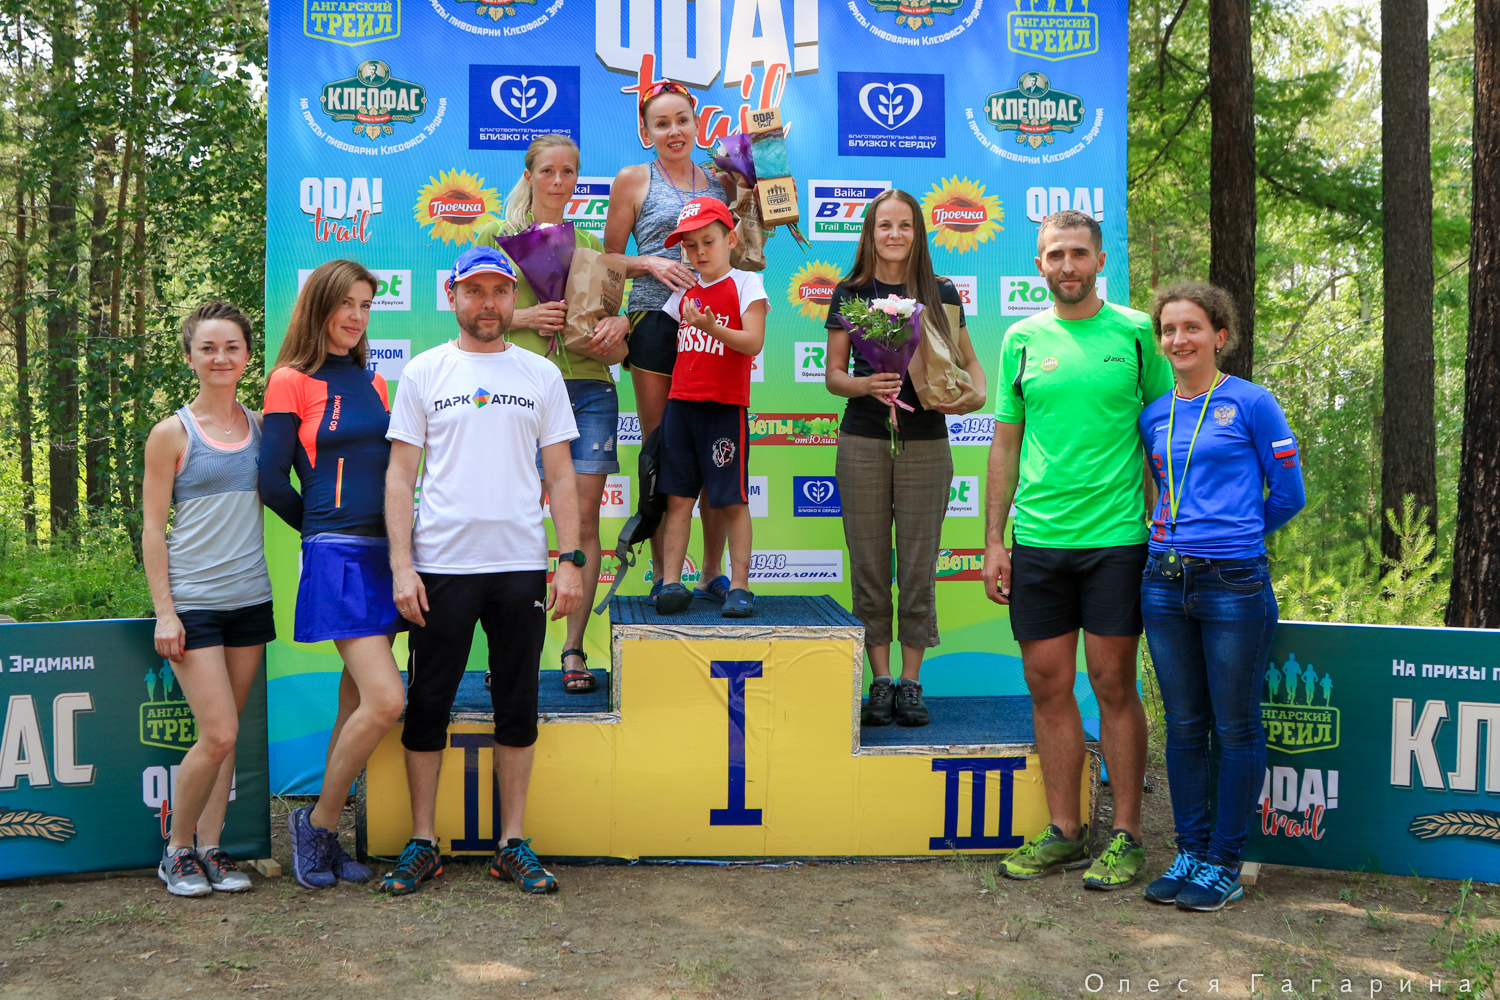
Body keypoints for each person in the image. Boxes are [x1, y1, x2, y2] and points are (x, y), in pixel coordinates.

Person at [381, 245, 584, 896]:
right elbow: (400, 476)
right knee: (428, 705)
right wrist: (402, 566)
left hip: (520, 564)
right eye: (475, 291)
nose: (488, 303)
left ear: (512, 297)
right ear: (453, 296)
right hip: (441, 566)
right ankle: (422, 842)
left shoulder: (541, 374)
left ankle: (511, 844)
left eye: (499, 290)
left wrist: (570, 560)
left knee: (517, 704)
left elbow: (562, 476)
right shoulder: (424, 371)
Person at [982, 209, 1174, 889]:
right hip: (1038, 542)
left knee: (1113, 683)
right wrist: (993, 539)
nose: (1067, 266)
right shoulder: (1021, 339)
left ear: (1100, 261)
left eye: (1078, 254)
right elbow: (1005, 442)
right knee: (1047, 683)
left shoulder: (1138, 333)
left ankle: (1127, 835)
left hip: (1118, 540)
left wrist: (1166, 521)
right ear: (1039, 264)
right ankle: (1066, 830)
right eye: (1055, 254)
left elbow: (1163, 433)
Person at [1137, 281, 1304, 912]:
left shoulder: (1253, 403)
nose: (1179, 339)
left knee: (1235, 727)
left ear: (1220, 336)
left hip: (1234, 582)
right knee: (1183, 724)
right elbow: (1159, 489)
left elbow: (1289, 494)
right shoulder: (1154, 414)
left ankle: (1224, 862)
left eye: (1192, 328)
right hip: (1163, 580)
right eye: (1169, 330)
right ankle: (1189, 850)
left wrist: (1237, 537)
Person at [260, 259, 406, 890]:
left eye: (365, 305)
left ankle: (328, 834)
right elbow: (271, 481)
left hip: (387, 553)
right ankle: (317, 823)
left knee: (355, 702)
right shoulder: (289, 380)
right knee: (387, 700)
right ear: (319, 305)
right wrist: (321, 532)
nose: (356, 316)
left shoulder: (375, 382)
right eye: (345, 302)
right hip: (338, 554)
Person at [822, 189, 988, 728]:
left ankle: (912, 682)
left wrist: (976, 394)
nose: (894, 234)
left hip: (927, 444)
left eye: (905, 225)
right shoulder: (850, 292)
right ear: (869, 233)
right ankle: (880, 680)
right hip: (863, 443)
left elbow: (970, 363)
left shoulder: (941, 292)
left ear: (918, 233)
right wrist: (865, 385)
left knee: (918, 568)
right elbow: (833, 375)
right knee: (869, 567)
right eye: (884, 225)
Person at [474, 134, 629, 694]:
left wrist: (619, 328)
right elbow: (471, 317)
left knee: (582, 525)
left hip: (588, 390)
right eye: (548, 171)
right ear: (529, 175)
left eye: (569, 172)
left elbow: (614, 333)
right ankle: (509, 651)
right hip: (519, 389)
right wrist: (524, 317)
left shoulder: (590, 243)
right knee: (514, 520)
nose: (559, 181)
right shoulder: (494, 236)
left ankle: (572, 649)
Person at [141, 300, 270, 897]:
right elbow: (152, 529)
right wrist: (165, 611)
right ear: (190, 357)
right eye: (208, 348)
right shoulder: (171, 433)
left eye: (231, 347)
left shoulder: (263, 427)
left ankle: (212, 848)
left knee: (230, 734)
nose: (221, 357)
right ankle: (176, 851)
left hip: (252, 599)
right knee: (216, 733)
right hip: (194, 604)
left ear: (246, 356)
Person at [603, 80, 736, 604]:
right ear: (646, 132)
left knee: (717, 448)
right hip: (654, 321)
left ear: (697, 124)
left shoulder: (723, 182)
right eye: (661, 123)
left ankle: (712, 572)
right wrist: (649, 263)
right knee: (662, 448)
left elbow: (739, 248)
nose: (674, 130)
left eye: (682, 120)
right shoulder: (633, 179)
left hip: (715, 324)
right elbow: (608, 259)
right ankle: (664, 575)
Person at [652, 197, 768, 617]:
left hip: (723, 408)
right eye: (690, 245)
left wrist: (712, 327)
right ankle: (670, 582)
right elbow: (664, 337)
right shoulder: (684, 290)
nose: (699, 252)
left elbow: (753, 343)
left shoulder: (747, 283)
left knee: (731, 501)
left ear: (730, 239)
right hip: (680, 407)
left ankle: (739, 586)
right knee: (678, 500)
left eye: (708, 241)